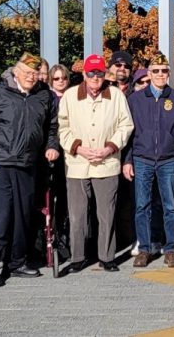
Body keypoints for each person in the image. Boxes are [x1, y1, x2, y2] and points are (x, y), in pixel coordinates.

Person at [0, 53, 59, 287]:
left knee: (23, 217)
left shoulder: (43, 95)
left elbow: (52, 127)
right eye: (27, 73)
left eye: (36, 74)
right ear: (15, 72)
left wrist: (52, 145)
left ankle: (16, 262)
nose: (31, 77)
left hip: (27, 164)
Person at [55, 54, 133, 272]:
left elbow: (126, 125)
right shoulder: (70, 96)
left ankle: (107, 257)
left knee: (106, 213)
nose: (95, 77)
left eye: (99, 73)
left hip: (107, 162)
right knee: (77, 213)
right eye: (91, 73)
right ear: (84, 74)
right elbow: (62, 128)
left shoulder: (116, 95)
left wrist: (109, 147)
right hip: (78, 163)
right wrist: (78, 147)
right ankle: (78, 256)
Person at [124, 52, 174, 269]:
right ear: (149, 74)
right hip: (142, 158)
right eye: (156, 71)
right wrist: (127, 160)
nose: (160, 74)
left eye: (164, 71)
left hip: (169, 160)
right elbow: (128, 134)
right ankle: (144, 249)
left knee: (170, 207)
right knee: (142, 205)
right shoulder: (135, 100)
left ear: (169, 74)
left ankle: (170, 250)